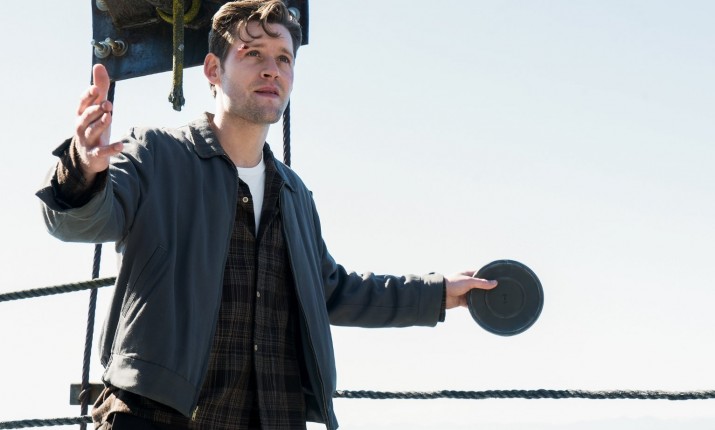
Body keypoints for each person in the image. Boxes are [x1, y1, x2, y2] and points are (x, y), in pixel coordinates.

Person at [36, 1, 497, 429]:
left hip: (273, 416)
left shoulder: (295, 194)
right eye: (253, 53)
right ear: (213, 69)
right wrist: (82, 167)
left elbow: (332, 291)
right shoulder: (156, 154)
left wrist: (439, 293)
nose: (271, 69)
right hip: (157, 416)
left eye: (284, 58)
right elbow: (78, 221)